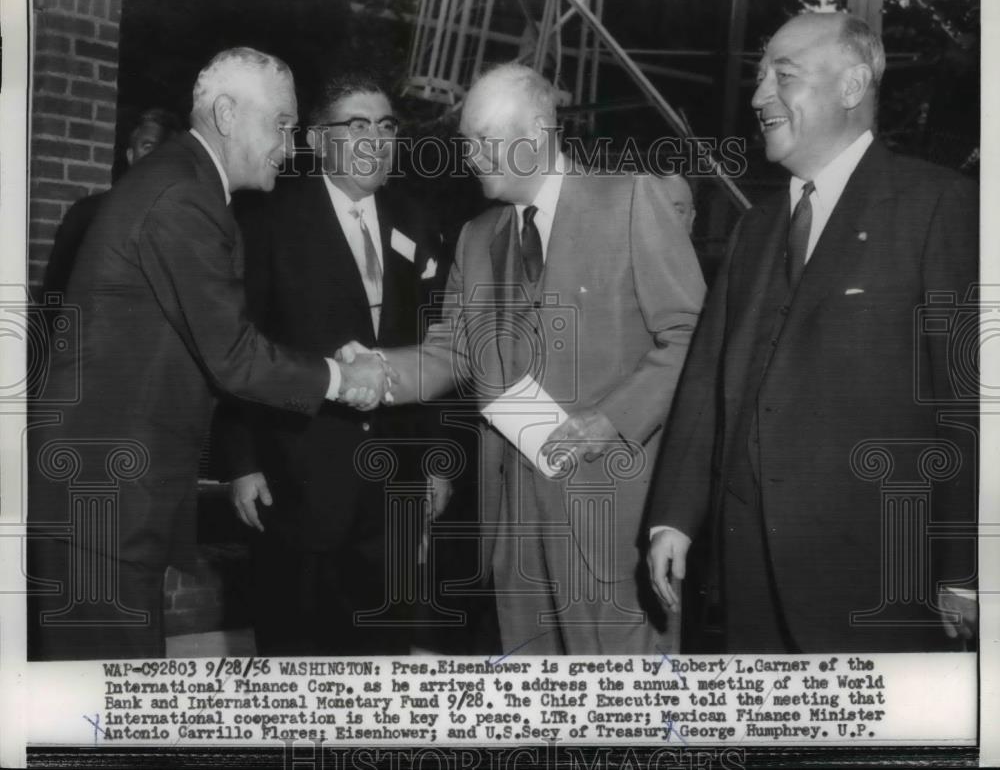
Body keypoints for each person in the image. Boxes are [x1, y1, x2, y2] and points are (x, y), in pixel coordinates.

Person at [27, 48, 391, 660]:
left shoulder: (185, 185)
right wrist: (340, 375)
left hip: (107, 490)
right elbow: (233, 355)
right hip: (103, 497)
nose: (291, 144)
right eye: (280, 124)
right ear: (226, 114)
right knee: (105, 702)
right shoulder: (183, 197)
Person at [345, 63, 706, 654]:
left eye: (486, 140)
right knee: (535, 720)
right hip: (513, 529)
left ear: (537, 131)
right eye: (468, 142)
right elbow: (451, 351)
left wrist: (609, 420)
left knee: (622, 719)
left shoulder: (631, 201)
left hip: (609, 522)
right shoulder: (476, 236)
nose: (471, 156)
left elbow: (691, 333)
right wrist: (377, 371)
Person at [646, 12, 978, 653]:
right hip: (746, 582)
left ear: (853, 86)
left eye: (783, 75)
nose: (758, 94)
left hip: (878, 581)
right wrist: (674, 519)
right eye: (760, 76)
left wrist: (967, 570)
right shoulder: (755, 228)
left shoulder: (939, 206)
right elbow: (705, 386)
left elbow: (969, 406)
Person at [217, 73, 447, 655]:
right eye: (358, 125)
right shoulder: (267, 219)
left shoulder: (416, 221)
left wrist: (438, 462)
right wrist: (241, 462)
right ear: (319, 141)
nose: (377, 138)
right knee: (297, 651)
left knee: (384, 656)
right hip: (298, 476)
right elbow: (238, 346)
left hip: (395, 478)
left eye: (387, 125)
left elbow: (436, 346)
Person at [41, 108, 180, 297]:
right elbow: (55, 292)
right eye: (148, 146)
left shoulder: (183, 224)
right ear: (131, 156)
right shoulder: (87, 214)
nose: (157, 157)